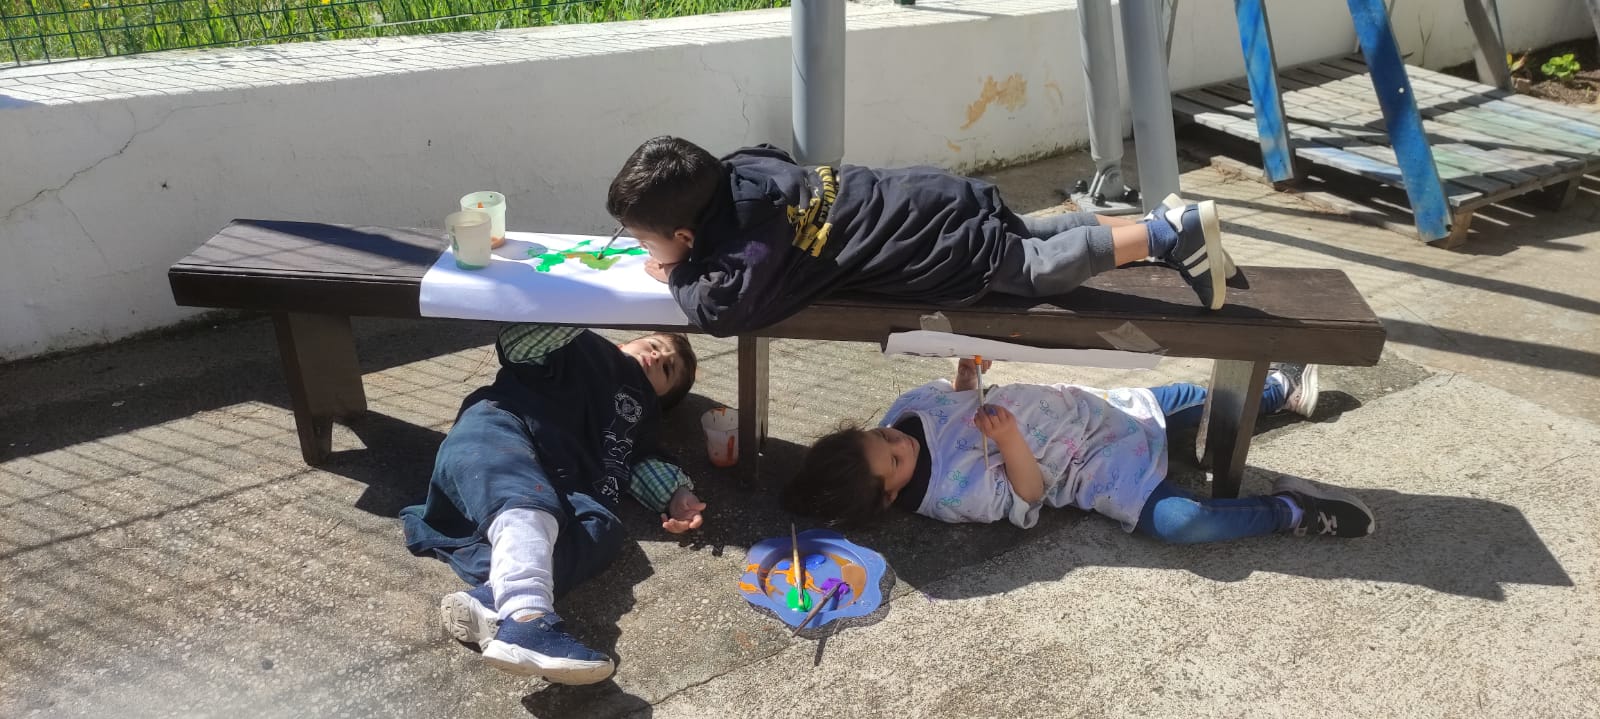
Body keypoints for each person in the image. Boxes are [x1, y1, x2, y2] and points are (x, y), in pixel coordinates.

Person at [604, 136, 1237, 337]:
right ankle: (1160, 221)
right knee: (1030, 231)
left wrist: (679, 272)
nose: (644, 250)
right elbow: (772, 153)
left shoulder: (746, 243)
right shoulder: (741, 167)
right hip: (930, 193)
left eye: (645, 241)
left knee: (1035, 268)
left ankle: (1165, 235)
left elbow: (724, 310)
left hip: (936, 248)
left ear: (683, 233)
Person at [401, 324, 704, 685]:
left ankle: (494, 598)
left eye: (667, 368)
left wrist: (676, 495)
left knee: (603, 529)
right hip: (504, 429)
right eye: (654, 344)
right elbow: (519, 344)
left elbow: (640, 462)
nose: (656, 356)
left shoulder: (642, 415)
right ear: (627, 341)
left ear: (662, 397)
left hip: (570, 485)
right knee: (520, 487)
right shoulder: (582, 347)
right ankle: (527, 617)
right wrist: (571, 315)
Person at [782, 359, 1376, 543]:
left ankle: (1277, 387)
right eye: (894, 459)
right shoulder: (949, 495)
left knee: (1194, 403)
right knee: (1182, 523)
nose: (898, 440)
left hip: (1095, 409)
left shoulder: (905, 413)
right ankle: (1291, 511)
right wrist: (1009, 441)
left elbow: (954, 400)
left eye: (881, 435)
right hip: (1096, 470)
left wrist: (966, 376)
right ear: (890, 496)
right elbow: (1030, 493)